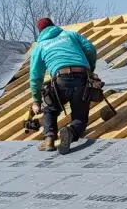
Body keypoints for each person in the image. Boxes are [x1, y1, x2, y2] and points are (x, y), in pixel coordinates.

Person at [29, 17, 98, 154]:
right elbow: (90, 49)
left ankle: (49, 140)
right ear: (54, 26)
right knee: (80, 117)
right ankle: (71, 131)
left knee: (50, 109)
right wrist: (90, 69)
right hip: (82, 78)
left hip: (61, 80)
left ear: (40, 32)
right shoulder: (71, 35)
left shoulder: (40, 46)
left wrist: (36, 100)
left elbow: (36, 76)